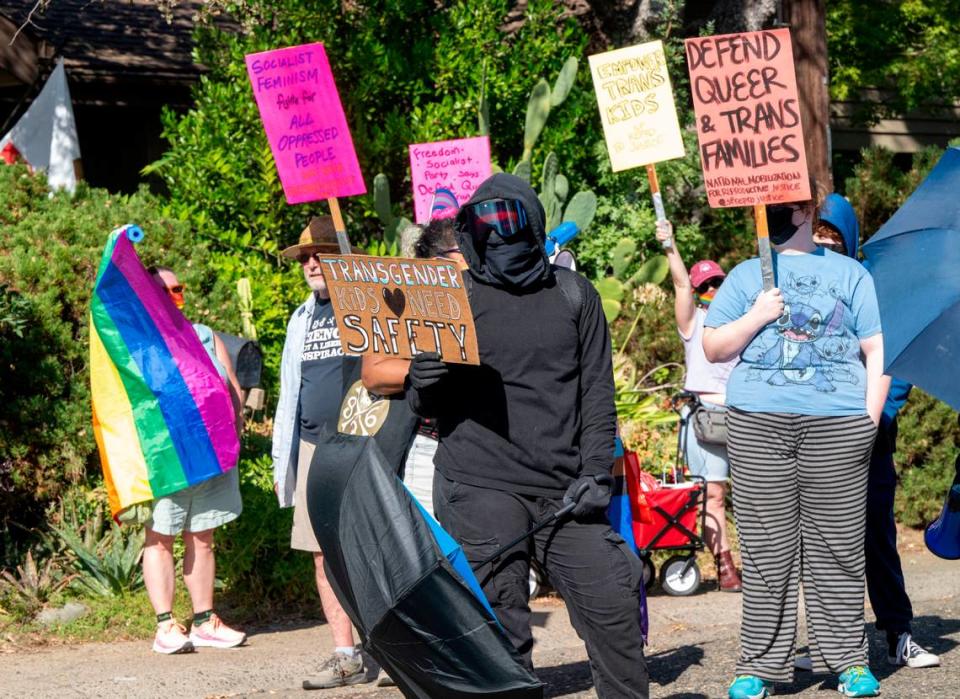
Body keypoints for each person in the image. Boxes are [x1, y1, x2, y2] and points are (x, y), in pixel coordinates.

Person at [406, 173, 648, 698]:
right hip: (479, 481)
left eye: (511, 223)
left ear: (535, 226)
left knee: (613, 601)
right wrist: (420, 382)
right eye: (486, 226)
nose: (500, 236)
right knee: (503, 624)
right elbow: (426, 409)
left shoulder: (573, 294)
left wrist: (593, 476)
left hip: (563, 487)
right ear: (470, 233)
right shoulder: (453, 297)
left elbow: (596, 396)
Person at [702, 184, 891, 699]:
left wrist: (867, 422)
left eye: (785, 206)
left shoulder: (852, 275)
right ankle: (758, 667)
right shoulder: (745, 275)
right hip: (758, 424)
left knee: (839, 547)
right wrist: (759, 315)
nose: (774, 215)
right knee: (767, 548)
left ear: (808, 209)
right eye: (766, 208)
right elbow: (714, 346)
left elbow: (878, 351)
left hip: (838, 426)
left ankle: (848, 661)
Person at [814, 193, 940, 669]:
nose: (826, 247)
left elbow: (896, 362)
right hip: (816, 436)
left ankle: (898, 633)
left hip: (870, 439)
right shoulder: (802, 288)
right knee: (824, 547)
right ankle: (833, 647)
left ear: (851, 241)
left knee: (877, 540)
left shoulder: (872, 288)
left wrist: (880, 413)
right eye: (819, 237)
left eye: (835, 238)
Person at [271, 217, 376, 689]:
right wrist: (284, 458)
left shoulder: (364, 305)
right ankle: (346, 655)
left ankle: (393, 651)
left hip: (361, 445)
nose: (312, 264)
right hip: (314, 449)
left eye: (322, 255)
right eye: (306, 258)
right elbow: (289, 391)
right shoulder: (301, 317)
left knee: (374, 548)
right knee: (321, 555)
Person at [144, 266, 246, 654]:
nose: (174, 294)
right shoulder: (142, 344)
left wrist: (235, 436)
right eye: (164, 290)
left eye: (178, 287)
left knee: (203, 537)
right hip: (168, 459)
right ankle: (165, 626)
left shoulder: (206, 335)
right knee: (161, 536)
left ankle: (204, 621)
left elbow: (232, 388)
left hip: (214, 456)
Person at [656, 220, 742, 592]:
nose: (712, 290)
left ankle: (768, 563)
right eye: (704, 285)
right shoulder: (693, 322)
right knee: (713, 493)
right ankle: (724, 565)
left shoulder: (741, 321)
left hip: (743, 416)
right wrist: (670, 246)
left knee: (761, 493)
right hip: (705, 418)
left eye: (717, 283)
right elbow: (678, 283)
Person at [360, 218, 466, 515]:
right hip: (425, 448)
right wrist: (418, 370)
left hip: (483, 455)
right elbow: (372, 372)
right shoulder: (398, 301)